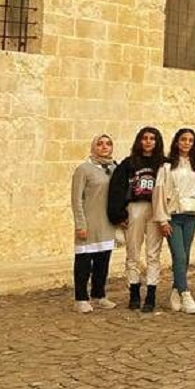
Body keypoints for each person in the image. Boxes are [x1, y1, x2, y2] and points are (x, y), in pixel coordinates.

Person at [106, 126, 165, 313]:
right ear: (139, 141)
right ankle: (133, 292)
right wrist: (117, 214)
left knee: (153, 254)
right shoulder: (129, 163)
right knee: (133, 252)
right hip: (136, 207)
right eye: (145, 138)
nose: (148, 142)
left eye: (152, 138)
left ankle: (151, 294)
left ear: (157, 142)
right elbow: (116, 188)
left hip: (156, 209)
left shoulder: (163, 164)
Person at [153, 127, 195, 315]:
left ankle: (175, 290)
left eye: (190, 140)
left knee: (185, 256)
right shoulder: (166, 166)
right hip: (172, 215)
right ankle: (185, 293)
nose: (187, 143)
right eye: (183, 140)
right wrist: (162, 219)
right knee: (179, 255)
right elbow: (158, 193)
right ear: (176, 142)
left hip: (190, 214)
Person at [72, 134, 118, 313]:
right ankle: (81, 298)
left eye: (108, 143)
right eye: (100, 144)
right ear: (93, 147)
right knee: (84, 261)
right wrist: (80, 224)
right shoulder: (84, 169)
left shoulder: (114, 168)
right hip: (89, 223)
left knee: (103, 261)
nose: (104, 147)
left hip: (106, 223)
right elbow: (77, 199)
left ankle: (99, 295)